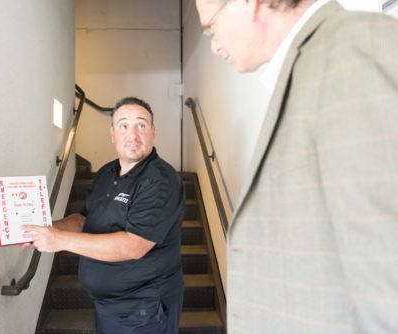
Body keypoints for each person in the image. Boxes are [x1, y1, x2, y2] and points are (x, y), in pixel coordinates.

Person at [196, 0, 398, 333]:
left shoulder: (352, 48)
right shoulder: (310, 67)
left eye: (211, 28)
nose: (215, 46)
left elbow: (387, 270)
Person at [23, 96, 185, 334]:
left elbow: (134, 246)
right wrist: (44, 229)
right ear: (112, 134)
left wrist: (58, 240)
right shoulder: (107, 173)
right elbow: (83, 219)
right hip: (109, 306)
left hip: (144, 309)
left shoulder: (160, 180)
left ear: (152, 132)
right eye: (123, 125)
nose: (132, 134)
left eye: (141, 125)